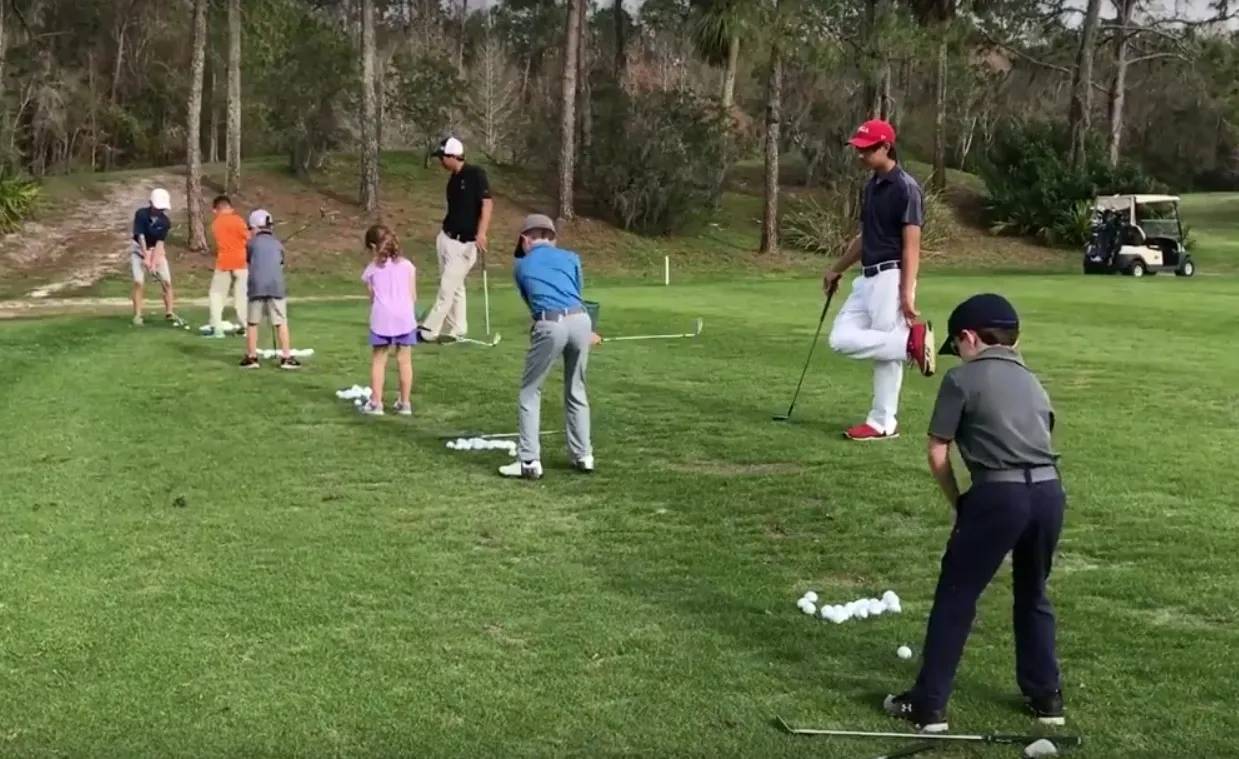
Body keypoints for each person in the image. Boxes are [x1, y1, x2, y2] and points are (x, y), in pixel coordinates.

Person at [883, 293, 1066, 733]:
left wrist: (960, 502)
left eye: (957, 346)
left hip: (998, 496)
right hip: (1049, 493)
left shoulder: (963, 380)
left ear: (968, 338)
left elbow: (937, 450)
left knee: (957, 596)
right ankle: (1047, 699)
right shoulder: (1034, 381)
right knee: (1033, 592)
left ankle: (928, 708)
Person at [823, 119, 935, 441]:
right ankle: (908, 344)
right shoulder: (871, 186)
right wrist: (837, 268)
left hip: (891, 275)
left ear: (886, 146)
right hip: (867, 276)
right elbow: (865, 237)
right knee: (840, 338)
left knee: (885, 357)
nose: (860, 155)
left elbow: (912, 245)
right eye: (858, 149)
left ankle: (882, 423)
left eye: (867, 149)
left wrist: (906, 294)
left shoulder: (906, 189)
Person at [500, 214, 595, 480]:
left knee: (530, 392)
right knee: (576, 388)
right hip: (581, 320)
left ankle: (529, 461)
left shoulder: (522, 264)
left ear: (525, 240)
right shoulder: (571, 257)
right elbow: (576, 293)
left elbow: (532, 301)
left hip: (549, 323)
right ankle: (583, 455)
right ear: (553, 238)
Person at [416, 136, 493, 343]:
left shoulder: (476, 174)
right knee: (455, 287)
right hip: (446, 238)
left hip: (466, 244)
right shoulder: (452, 180)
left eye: (442, 157)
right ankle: (459, 327)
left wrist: (482, 233)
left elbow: (486, 204)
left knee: (446, 288)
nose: (440, 162)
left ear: (453, 156)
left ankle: (428, 331)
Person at [358, 224, 417, 416]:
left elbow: (372, 297)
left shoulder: (371, 270)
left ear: (374, 247)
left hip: (382, 318)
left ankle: (376, 403)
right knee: (405, 361)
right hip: (405, 318)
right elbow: (413, 295)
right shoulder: (408, 266)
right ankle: (405, 403)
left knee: (379, 360)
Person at [240, 209, 300, 370]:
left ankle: (252, 357)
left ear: (255, 227)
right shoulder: (277, 243)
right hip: (276, 286)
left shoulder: (251, 243)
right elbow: (280, 262)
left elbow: (249, 260)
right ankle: (286, 357)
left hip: (256, 286)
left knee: (252, 323)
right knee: (280, 322)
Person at [130, 187, 176, 326]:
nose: (160, 211)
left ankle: (169, 313)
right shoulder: (141, 214)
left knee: (167, 282)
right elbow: (141, 236)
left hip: (157, 251)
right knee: (138, 282)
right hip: (139, 250)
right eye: (157, 208)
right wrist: (146, 258)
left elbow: (159, 243)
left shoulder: (165, 222)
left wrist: (154, 262)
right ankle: (138, 315)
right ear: (150, 203)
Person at [208, 195, 250, 336]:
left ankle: (217, 327)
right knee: (241, 297)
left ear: (216, 210)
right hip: (241, 262)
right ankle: (246, 326)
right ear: (230, 207)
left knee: (217, 295)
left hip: (224, 262)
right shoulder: (238, 220)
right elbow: (248, 238)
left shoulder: (216, 224)